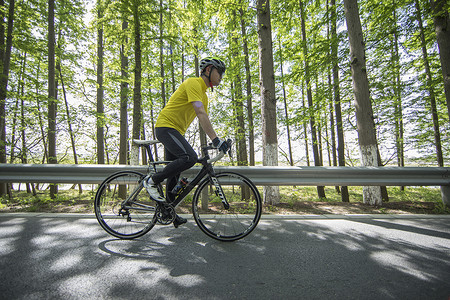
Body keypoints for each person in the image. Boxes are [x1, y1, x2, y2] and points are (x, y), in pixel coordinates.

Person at [143, 57, 230, 228]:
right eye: (219, 72)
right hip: (166, 127)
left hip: (175, 131)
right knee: (190, 158)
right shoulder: (193, 83)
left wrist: (214, 141)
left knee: (174, 176)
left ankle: (169, 212)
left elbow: (203, 117)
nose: (221, 76)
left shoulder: (204, 96)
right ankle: (151, 181)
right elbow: (200, 113)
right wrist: (216, 140)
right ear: (208, 70)